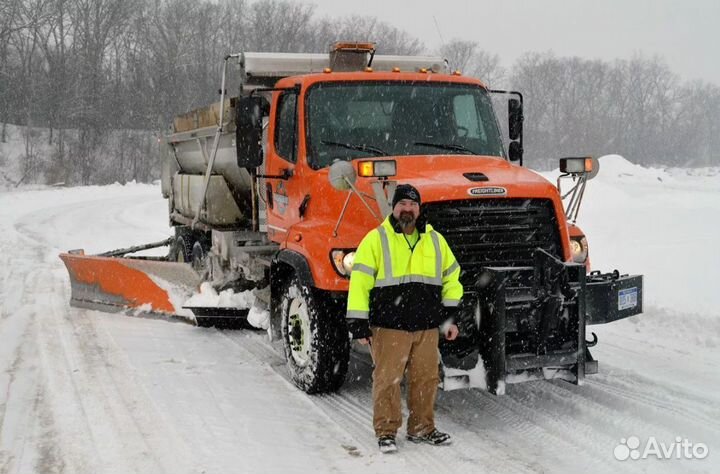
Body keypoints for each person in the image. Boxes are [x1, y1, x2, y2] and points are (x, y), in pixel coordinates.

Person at [346, 184, 463, 454]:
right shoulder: (376, 239)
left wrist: (449, 319)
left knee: (426, 378)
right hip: (389, 326)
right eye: (402, 205)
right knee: (388, 379)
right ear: (394, 208)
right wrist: (358, 323)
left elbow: (452, 280)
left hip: (426, 326)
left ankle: (422, 428)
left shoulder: (435, 240)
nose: (407, 209)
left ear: (419, 209)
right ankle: (386, 431)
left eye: (412, 205)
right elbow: (360, 284)